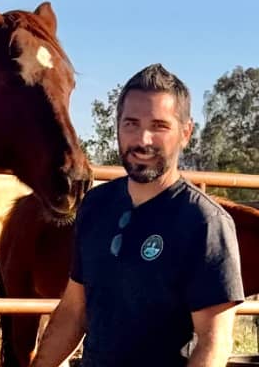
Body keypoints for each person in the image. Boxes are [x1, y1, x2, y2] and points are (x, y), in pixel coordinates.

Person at [30, 64, 244, 367]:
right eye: (131, 124)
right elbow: (73, 311)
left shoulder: (204, 223)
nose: (143, 139)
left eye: (159, 126)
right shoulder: (96, 205)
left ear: (185, 133)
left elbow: (214, 343)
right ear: (118, 127)